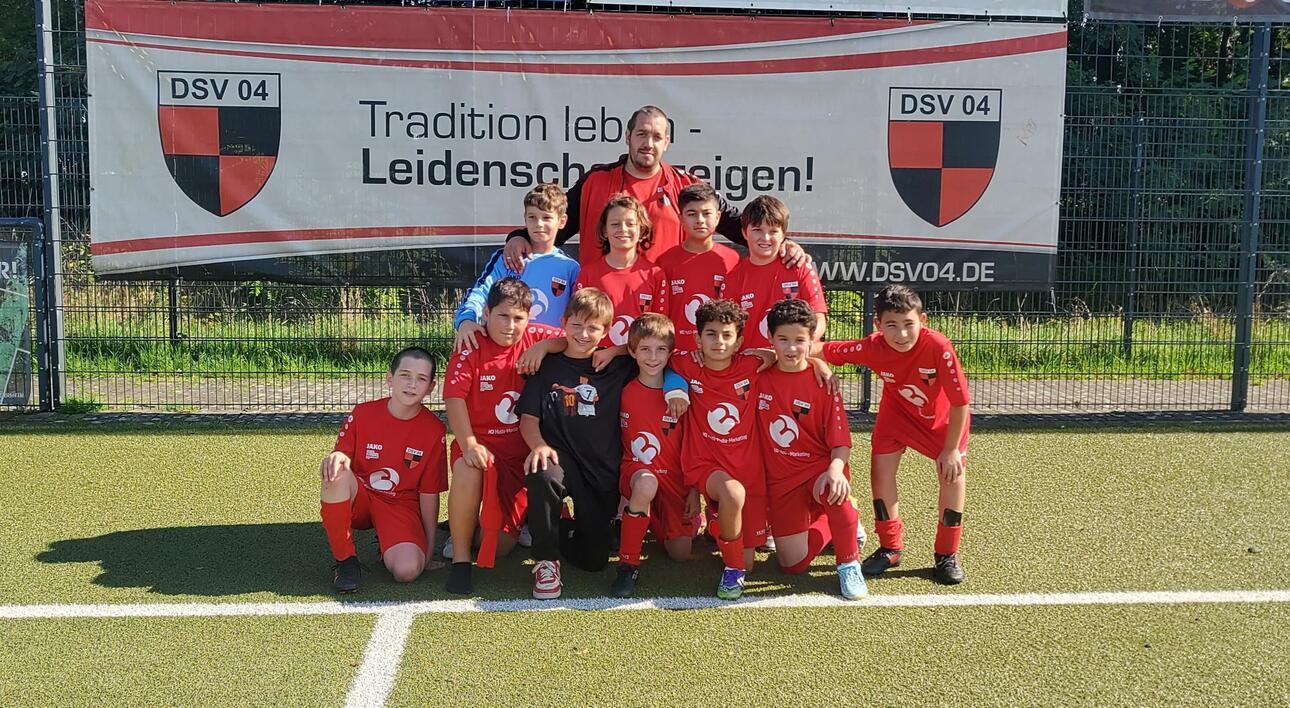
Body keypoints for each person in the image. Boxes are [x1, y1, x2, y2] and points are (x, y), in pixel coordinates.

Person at [517, 287, 687, 599]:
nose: (583, 334)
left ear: (606, 331)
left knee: (593, 560)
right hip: (561, 458)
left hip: (601, 471)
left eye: (593, 327)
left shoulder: (617, 364)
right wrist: (539, 445)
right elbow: (528, 418)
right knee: (543, 472)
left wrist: (615, 350)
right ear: (564, 322)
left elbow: (651, 353)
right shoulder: (546, 365)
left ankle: (562, 527)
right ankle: (546, 561)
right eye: (577, 325)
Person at [500, 106, 808, 270]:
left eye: (657, 136)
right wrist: (518, 237)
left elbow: (735, 222)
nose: (648, 143)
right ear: (628, 136)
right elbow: (555, 224)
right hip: (601, 311)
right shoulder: (596, 181)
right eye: (642, 134)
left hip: (660, 313)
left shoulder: (686, 185)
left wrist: (784, 243)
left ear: (667, 142)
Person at [815, 285, 970, 585]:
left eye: (908, 324)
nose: (901, 334)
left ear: (922, 320)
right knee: (880, 473)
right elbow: (817, 348)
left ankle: (946, 554)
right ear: (878, 325)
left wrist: (951, 450)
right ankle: (890, 547)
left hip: (942, 424)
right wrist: (813, 362)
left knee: (953, 476)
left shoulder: (939, 346)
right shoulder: (872, 346)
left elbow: (960, 402)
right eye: (892, 325)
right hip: (895, 419)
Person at [441, 278, 563, 595]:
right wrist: (468, 443)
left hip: (519, 460)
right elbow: (453, 398)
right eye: (503, 316)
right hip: (481, 450)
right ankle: (461, 561)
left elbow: (575, 339)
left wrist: (544, 346)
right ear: (486, 312)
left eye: (518, 318)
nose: (510, 326)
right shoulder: (471, 345)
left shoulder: (536, 337)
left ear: (529, 318)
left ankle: (478, 526)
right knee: (469, 467)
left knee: (501, 548)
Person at [757, 299, 867, 600]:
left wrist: (835, 469)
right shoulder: (758, 377)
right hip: (781, 481)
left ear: (812, 341)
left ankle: (848, 562)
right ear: (771, 339)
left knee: (835, 486)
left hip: (818, 471)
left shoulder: (824, 384)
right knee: (792, 565)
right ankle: (838, 524)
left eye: (799, 341)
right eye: (783, 340)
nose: (791, 349)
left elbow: (841, 442)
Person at [319, 347, 447, 593]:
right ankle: (345, 562)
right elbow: (342, 454)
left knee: (407, 571)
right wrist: (336, 456)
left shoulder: (434, 430)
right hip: (363, 497)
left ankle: (388, 542)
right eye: (405, 375)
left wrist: (428, 550)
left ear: (431, 387)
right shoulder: (362, 413)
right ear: (390, 378)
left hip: (400, 506)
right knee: (335, 472)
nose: (411, 384)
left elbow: (430, 494)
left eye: (421, 379)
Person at [669, 299, 771, 600]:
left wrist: (817, 363)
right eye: (711, 334)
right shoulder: (684, 363)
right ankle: (732, 570)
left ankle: (718, 523)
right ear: (698, 338)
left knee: (752, 560)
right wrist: (673, 385)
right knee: (732, 494)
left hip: (747, 468)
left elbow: (786, 355)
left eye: (727, 335)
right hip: (705, 463)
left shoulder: (752, 364)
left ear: (739, 341)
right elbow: (650, 354)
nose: (719, 341)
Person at [611, 313, 695, 598]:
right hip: (635, 472)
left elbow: (693, 445)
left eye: (660, 349)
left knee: (680, 553)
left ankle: (641, 519)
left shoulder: (681, 395)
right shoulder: (622, 390)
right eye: (644, 349)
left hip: (673, 478)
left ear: (670, 353)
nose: (652, 356)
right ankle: (628, 565)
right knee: (646, 484)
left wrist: (694, 489)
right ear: (632, 351)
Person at [453, 183, 579, 352]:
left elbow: (578, 316)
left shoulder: (570, 268)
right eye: (532, 217)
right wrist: (466, 320)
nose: (539, 224)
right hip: (506, 355)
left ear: (562, 221)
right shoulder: (508, 257)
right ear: (525, 218)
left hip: (549, 357)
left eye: (546, 217)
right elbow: (480, 292)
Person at [723, 195, 827, 350]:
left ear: (783, 235)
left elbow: (819, 319)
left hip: (793, 366)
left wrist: (798, 347)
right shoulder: (733, 277)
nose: (765, 238)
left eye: (773, 231)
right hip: (753, 367)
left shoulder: (800, 267)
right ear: (745, 233)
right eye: (757, 230)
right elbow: (727, 329)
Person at [574, 194, 670, 347]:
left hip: (641, 364)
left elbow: (659, 331)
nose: (623, 229)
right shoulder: (588, 274)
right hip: (597, 362)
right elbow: (577, 326)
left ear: (642, 230)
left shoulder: (655, 275)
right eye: (615, 224)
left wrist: (618, 351)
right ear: (605, 231)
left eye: (630, 224)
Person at [656, 183, 742, 354]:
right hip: (677, 357)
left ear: (718, 217)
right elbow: (660, 318)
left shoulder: (732, 259)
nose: (700, 220)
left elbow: (738, 315)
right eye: (692, 214)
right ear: (680, 218)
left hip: (720, 356)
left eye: (706, 213)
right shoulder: (665, 261)